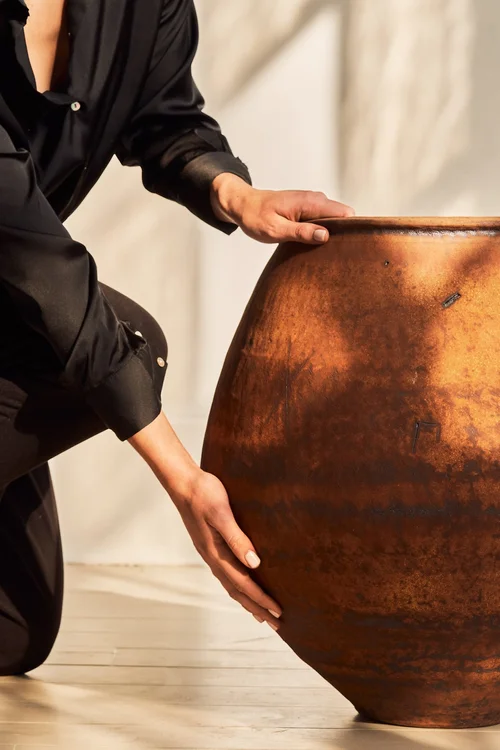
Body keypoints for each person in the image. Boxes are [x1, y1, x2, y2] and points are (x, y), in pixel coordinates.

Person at [0, 0, 354, 674]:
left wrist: (238, 195)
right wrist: (186, 482)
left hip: (8, 297)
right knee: (130, 341)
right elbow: (41, 264)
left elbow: (163, 117)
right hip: (21, 274)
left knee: (16, 630)